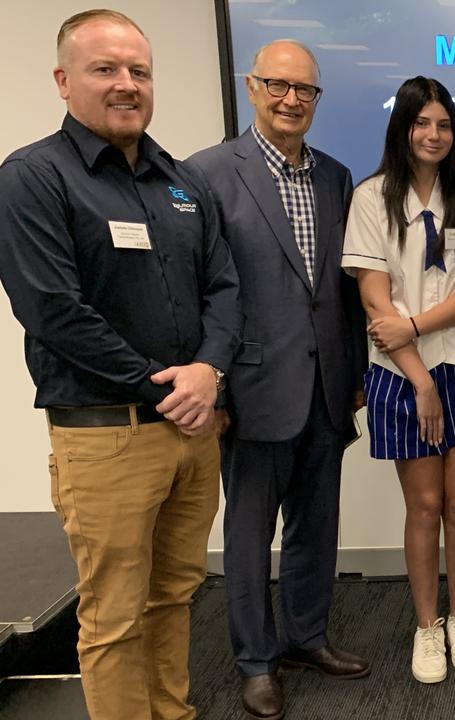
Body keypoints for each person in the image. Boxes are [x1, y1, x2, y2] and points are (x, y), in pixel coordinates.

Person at [0, 10, 240, 720]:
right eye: (106, 69)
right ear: (64, 80)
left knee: (174, 595)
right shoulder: (34, 177)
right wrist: (168, 387)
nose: (127, 84)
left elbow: (223, 286)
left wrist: (210, 371)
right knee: (113, 617)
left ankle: (173, 713)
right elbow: (52, 309)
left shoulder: (180, 181)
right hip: (106, 437)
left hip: (190, 434)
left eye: (139, 71)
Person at [187, 39, 369, 720]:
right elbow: (205, 290)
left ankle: (305, 637)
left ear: (317, 100)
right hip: (252, 391)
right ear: (252, 86)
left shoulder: (336, 175)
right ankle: (255, 661)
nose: (292, 100)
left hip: (327, 390)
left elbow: (344, 291)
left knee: (315, 529)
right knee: (248, 534)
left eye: (305, 90)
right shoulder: (207, 174)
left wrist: (354, 375)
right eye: (278, 85)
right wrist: (219, 389)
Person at [341, 77, 455, 685]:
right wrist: (420, 379)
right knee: (426, 506)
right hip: (401, 375)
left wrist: (414, 326)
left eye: (443, 125)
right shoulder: (371, 199)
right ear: (403, 129)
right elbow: (372, 296)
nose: (433, 135)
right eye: (422, 124)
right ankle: (427, 625)